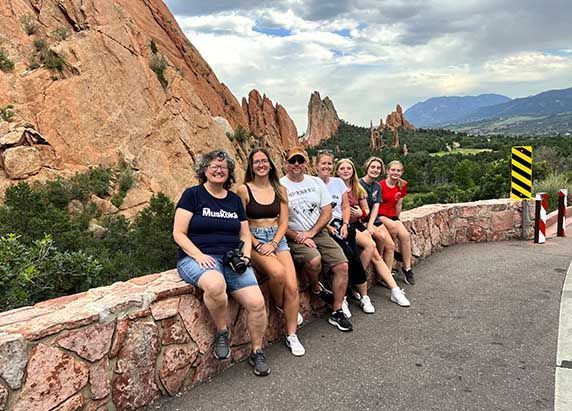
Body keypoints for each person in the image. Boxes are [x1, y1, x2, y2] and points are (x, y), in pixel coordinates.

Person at [173, 149, 270, 376]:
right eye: (214, 166)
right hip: (197, 258)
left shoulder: (235, 201)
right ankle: (222, 332)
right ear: (204, 170)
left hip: (231, 259)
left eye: (223, 167)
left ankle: (257, 351)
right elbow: (178, 233)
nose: (219, 170)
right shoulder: (192, 195)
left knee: (257, 303)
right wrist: (198, 255)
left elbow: (245, 235)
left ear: (229, 173)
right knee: (216, 286)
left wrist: (245, 255)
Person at [236, 148, 305, 356]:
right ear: (251, 166)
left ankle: (292, 335)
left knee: (293, 287)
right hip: (254, 240)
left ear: (270, 164)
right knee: (277, 273)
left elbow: (283, 222)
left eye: (264, 161)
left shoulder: (280, 189)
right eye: (256, 162)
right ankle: (281, 306)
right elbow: (243, 223)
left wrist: (274, 243)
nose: (261, 165)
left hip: (277, 239)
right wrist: (257, 244)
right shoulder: (243, 190)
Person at [280, 146, 352, 332]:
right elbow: (278, 220)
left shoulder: (315, 182)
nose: (297, 164)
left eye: (300, 160)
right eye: (293, 161)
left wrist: (311, 233)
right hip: (294, 236)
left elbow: (327, 211)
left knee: (342, 265)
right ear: (286, 163)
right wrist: (299, 236)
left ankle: (337, 311)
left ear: (306, 163)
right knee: (314, 260)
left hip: (317, 232)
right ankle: (316, 288)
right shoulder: (280, 186)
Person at [335, 158, 410, 307]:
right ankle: (358, 283)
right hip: (341, 226)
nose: (346, 171)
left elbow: (367, 210)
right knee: (373, 247)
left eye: (349, 168)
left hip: (356, 224)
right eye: (342, 168)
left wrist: (361, 213)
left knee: (375, 251)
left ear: (353, 171)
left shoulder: (358, 187)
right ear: (336, 171)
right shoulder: (332, 186)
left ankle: (394, 289)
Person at [315, 151, 375, 315]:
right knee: (348, 255)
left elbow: (345, 206)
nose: (327, 166)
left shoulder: (338, 183)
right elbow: (314, 212)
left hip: (343, 224)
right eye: (323, 164)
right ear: (316, 166)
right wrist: (328, 226)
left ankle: (363, 296)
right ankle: (344, 299)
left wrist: (346, 223)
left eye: (329, 163)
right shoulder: (313, 184)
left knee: (354, 255)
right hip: (327, 226)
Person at [378, 160, 415, 285]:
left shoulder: (402, 185)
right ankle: (392, 253)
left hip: (392, 216)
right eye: (393, 170)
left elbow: (399, 204)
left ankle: (407, 268)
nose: (395, 172)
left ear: (402, 172)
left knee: (405, 235)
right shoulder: (380, 185)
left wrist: (397, 219)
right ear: (388, 171)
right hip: (380, 215)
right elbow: (375, 205)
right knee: (393, 228)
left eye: (398, 170)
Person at [359, 157, 396, 273]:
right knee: (381, 237)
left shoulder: (377, 186)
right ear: (367, 168)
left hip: (373, 219)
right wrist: (368, 225)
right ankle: (379, 261)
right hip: (361, 220)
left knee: (390, 246)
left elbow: (376, 206)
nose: (375, 170)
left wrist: (371, 224)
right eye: (373, 167)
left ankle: (387, 273)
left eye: (378, 168)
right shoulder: (359, 184)